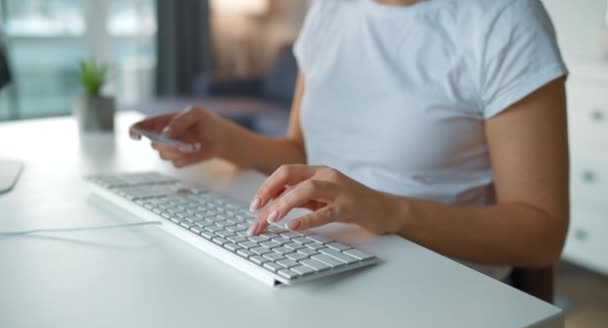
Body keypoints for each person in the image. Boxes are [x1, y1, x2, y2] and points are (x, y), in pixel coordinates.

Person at [130, 0, 569, 279]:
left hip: (442, 274)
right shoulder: (330, 10)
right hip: (321, 253)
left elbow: (541, 233)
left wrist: (390, 210)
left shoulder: (504, 20)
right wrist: (227, 139)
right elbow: (305, 153)